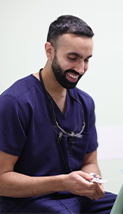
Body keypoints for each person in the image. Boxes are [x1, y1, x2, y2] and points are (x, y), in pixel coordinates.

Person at [0, 15, 116, 213]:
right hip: (25, 201)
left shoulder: (84, 103)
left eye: (86, 60)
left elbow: (90, 163)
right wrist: (62, 183)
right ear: (49, 51)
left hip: (73, 196)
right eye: (73, 58)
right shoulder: (16, 102)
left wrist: (92, 181)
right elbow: (2, 179)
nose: (81, 69)